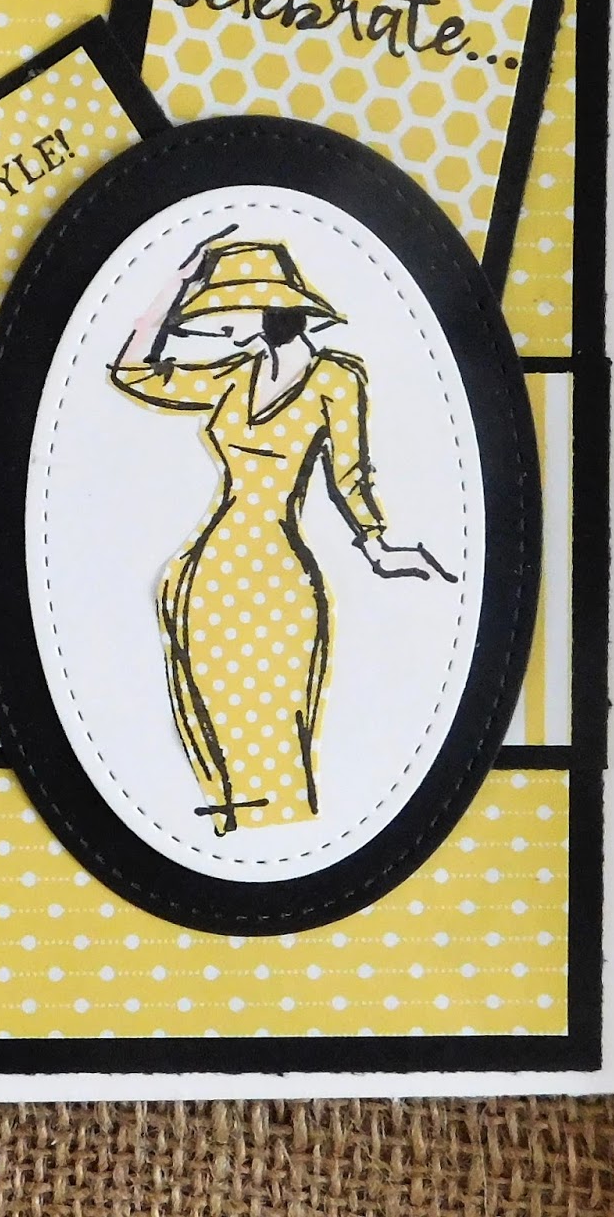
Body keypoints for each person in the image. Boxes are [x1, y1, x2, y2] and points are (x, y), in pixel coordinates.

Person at [110, 232, 451, 835]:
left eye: (229, 308)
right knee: (213, 711)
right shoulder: (231, 377)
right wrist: (178, 282)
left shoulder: (335, 381)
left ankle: (281, 832)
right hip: (204, 574)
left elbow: (350, 475)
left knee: (274, 715)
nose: (215, 321)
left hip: (277, 573)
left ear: (271, 311)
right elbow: (132, 371)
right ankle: (234, 834)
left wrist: (377, 544)